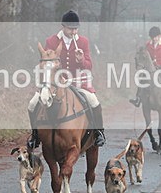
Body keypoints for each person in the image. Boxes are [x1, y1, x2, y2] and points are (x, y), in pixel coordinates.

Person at [27, 10, 105, 150]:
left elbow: (89, 65)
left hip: (78, 81)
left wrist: (81, 60)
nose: (73, 32)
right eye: (70, 28)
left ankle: (98, 132)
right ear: (63, 27)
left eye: (76, 29)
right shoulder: (51, 41)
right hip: (55, 83)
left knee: (94, 101)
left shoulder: (83, 42)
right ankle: (35, 136)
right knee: (32, 104)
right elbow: (46, 62)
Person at [129, 26, 161, 107]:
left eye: (155, 37)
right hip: (152, 66)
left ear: (159, 36)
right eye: (152, 37)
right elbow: (145, 56)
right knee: (143, 76)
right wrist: (149, 63)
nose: (154, 39)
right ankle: (138, 97)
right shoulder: (148, 45)